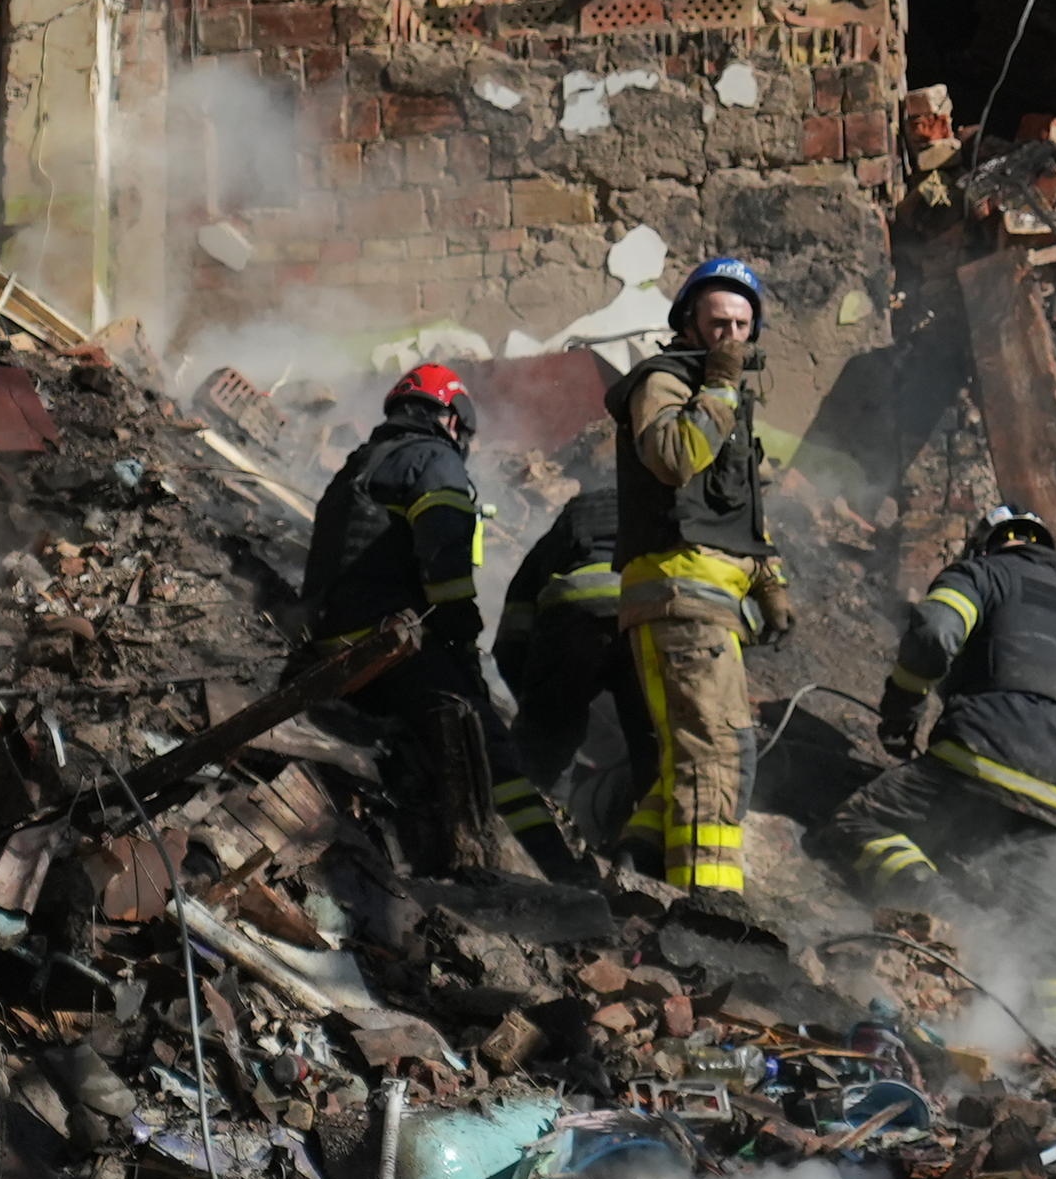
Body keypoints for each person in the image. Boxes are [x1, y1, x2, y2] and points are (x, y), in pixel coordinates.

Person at [835, 508, 1056, 1055]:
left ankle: (946, 919)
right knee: (1050, 938)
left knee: (855, 823)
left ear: (986, 543)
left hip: (980, 756)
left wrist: (902, 709)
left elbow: (934, 632)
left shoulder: (983, 574)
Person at [611, 258, 791, 897]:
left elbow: (741, 508)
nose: (733, 338)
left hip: (712, 599)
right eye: (719, 324)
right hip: (678, 593)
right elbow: (673, 457)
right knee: (714, 751)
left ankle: (639, 862)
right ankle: (707, 904)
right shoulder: (664, 381)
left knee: (701, 750)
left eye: (744, 325)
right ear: (687, 323)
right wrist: (716, 386)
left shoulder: (728, 397)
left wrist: (769, 584)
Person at [303, 364, 504, 871]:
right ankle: (471, 865)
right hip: (384, 639)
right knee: (468, 718)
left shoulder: (360, 462)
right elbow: (446, 554)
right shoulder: (433, 458)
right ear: (453, 418)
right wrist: (461, 631)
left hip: (331, 639)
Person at [488, 475, 628, 868]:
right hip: (651, 621)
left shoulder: (575, 517)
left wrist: (537, 706)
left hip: (573, 620)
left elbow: (512, 634)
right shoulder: (674, 514)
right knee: (656, 758)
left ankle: (533, 861)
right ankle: (636, 871)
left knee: (541, 759)